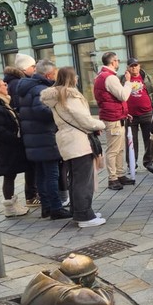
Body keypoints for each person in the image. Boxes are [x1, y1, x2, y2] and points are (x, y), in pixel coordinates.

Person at [42, 67, 107, 228]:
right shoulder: (69, 95)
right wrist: (100, 124)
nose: (78, 78)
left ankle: (79, 211)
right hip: (78, 141)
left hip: (67, 140)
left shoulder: (56, 96)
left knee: (75, 178)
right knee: (83, 179)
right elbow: (83, 119)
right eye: (76, 76)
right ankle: (85, 215)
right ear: (71, 78)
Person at [16, 59, 71, 220]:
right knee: (52, 175)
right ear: (48, 74)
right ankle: (55, 207)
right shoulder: (40, 89)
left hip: (34, 138)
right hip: (44, 137)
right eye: (54, 73)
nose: (55, 76)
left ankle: (46, 207)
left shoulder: (28, 88)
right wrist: (58, 107)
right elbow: (42, 112)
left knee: (41, 174)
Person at [0, 77, 30, 218]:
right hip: (6, 149)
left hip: (10, 147)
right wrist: (16, 139)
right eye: (2, 85)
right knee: (9, 176)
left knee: (11, 175)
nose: (6, 86)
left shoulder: (3, 104)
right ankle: (9, 206)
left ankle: (12, 203)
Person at [93, 52, 136, 190]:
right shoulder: (110, 78)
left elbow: (112, 99)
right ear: (113, 62)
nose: (119, 63)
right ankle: (113, 178)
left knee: (119, 149)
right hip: (113, 118)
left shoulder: (102, 76)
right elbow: (123, 95)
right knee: (113, 150)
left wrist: (124, 112)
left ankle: (119, 174)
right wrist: (128, 82)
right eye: (117, 60)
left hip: (115, 115)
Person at [3, 54, 38, 205]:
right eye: (32, 66)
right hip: (19, 132)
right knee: (27, 166)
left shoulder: (10, 81)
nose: (34, 69)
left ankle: (21, 199)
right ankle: (30, 196)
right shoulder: (18, 84)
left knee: (11, 172)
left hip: (15, 132)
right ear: (25, 68)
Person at [124, 58, 153, 169]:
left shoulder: (146, 77)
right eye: (131, 66)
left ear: (139, 66)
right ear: (128, 67)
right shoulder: (123, 79)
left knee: (149, 139)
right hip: (130, 115)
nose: (134, 68)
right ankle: (132, 163)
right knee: (131, 140)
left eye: (135, 65)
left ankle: (148, 162)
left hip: (146, 112)